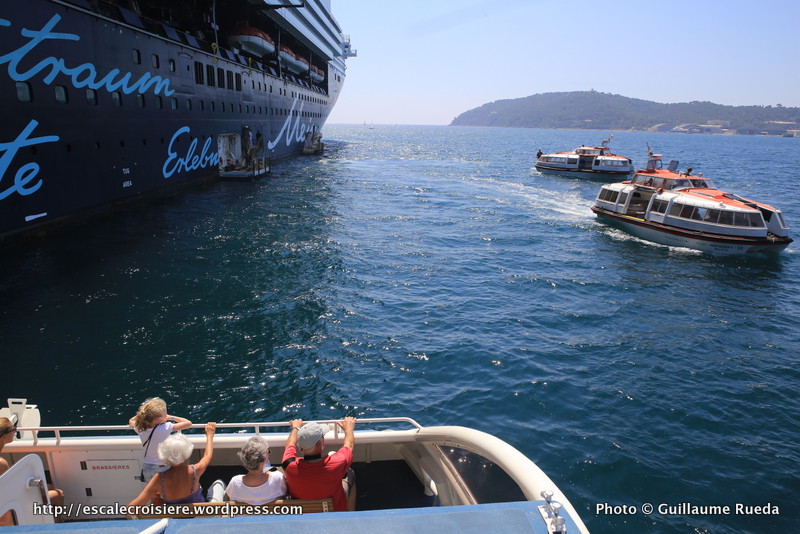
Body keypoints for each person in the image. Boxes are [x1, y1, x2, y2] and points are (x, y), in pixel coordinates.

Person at [128, 422, 216, 506]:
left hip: (174, 518)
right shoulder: (195, 470)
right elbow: (207, 456)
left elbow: (132, 507)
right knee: (218, 483)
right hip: (199, 515)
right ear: (186, 454)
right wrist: (210, 434)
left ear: (163, 455)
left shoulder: (158, 479)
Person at [281, 417, 357, 511]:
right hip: (332, 512)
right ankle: (348, 516)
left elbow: (290, 445)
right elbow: (349, 445)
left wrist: (296, 428)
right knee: (350, 473)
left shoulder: (288, 465)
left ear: (300, 445)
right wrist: (349, 429)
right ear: (319, 443)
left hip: (303, 512)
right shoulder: (337, 462)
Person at [1, 417, 65, 524]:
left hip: (7, 503)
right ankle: (56, 528)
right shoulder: (1, 463)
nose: (15, 432)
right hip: (11, 507)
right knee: (58, 495)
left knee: (48, 487)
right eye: (13, 430)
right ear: (3, 437)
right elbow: (11, 493)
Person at [129, 398, 192, 482]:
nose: (166, 415)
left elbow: (131, 421)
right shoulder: (165, 428)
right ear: (157, 419)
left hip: (147, 467)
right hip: (162, 468)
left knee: (155, 493)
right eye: (165, 414)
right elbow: (188, 423)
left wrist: (145, 412)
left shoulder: (140, 428)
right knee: (165, 493)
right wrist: (171, 417)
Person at [223, 436, 287, 504]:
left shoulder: (235, 482)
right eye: (268, 452)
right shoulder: (278, 478)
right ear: (264, 460)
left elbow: (230, 498)